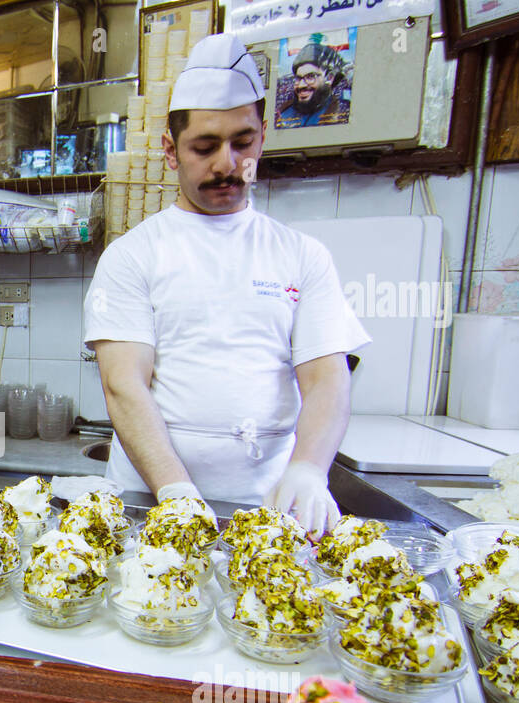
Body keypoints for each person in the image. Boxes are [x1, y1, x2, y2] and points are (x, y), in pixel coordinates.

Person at [83, 34, 369, 535]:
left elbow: (327, 378)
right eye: (205, 147)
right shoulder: (131, 256)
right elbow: (123, 383)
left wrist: (308, 468)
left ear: (262, 138)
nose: (227, 164)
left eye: (243, 142)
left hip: (265, 510)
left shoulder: (303, 255)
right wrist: (176, 494)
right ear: (171, 152)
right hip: (150, 503)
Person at [276, 42, 351, 129]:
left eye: (310, 77)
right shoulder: (284, 111)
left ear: (330, 78)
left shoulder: (342, 112)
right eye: (298, 78)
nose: (301, 85)